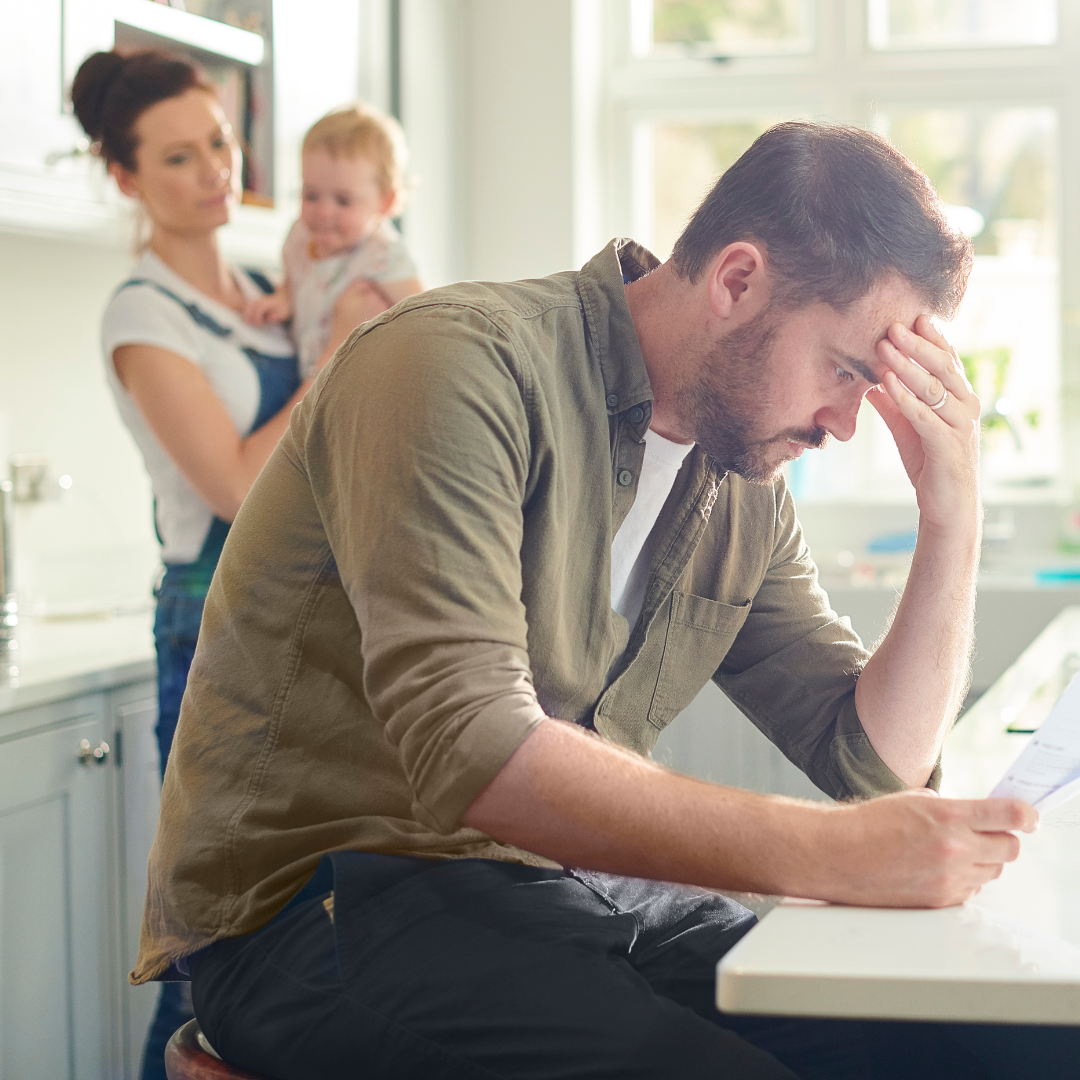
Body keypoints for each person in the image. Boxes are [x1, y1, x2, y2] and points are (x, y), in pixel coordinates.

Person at [131, 122, 1076, 1078]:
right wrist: (831, 853)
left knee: (968, 1048)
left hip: (556, 898)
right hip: (323, 907)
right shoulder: (450, 366)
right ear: (737, 281)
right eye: (848, 371)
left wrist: (952, 513)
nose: (845, 423)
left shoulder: (740, 482)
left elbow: (873, 764)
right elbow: (476, 746)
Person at [71, 49, 387, 1080]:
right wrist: (338, 354)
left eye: (218, 141)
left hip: (310, 620)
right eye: (177, 156)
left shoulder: (266, 287)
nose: (214, 169)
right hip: (211, 626)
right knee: (208, 942)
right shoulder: (142, 314)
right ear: (125, 177)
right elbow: (243, 489)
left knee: (309, 932)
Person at [244, 102, 424, 378]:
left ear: (385, 202)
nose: (324, 212)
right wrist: (284, 300)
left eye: (343, 200)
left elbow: (425, 316)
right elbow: (294, 280)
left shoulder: (383, 256)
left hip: (366, 383)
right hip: (312, 378)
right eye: (311, 195)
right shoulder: (300, 237)